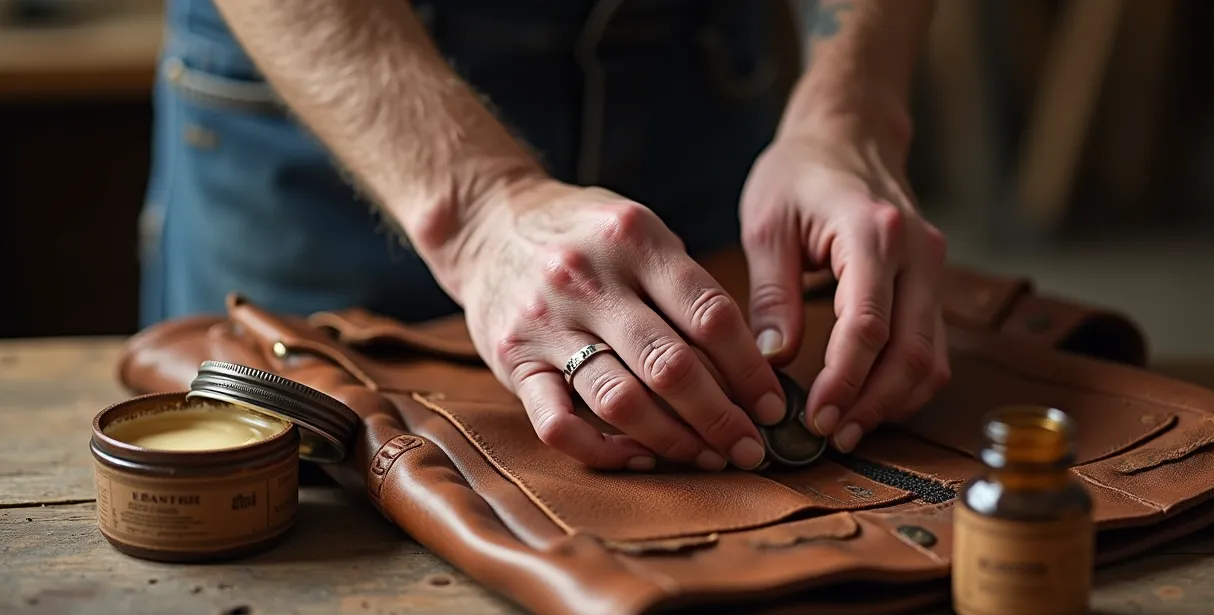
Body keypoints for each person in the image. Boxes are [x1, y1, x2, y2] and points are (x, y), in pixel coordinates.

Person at [139, 0, 950, 474]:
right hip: (336, 81)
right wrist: (478, 208)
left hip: (687, 74)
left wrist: (852, 108)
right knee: (278, 486)